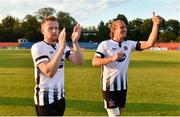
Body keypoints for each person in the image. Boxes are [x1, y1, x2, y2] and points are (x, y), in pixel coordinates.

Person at [92, 12, 163, 116]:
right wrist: (113, 58)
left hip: (123, 87)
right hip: (109, 88)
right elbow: (95, 62)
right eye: (121, 27)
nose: (125, 29)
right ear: (114, 30)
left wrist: (156, 25)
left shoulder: (129, 44)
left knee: (119, 114)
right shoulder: (105, 44)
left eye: (125, 27)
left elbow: (149, 43)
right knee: (115, 115)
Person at [31, 16, 83, 116]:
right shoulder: (38, 47)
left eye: (57, 28)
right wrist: (62, 47)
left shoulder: (62, 46)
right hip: (45, 100)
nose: (54, 31)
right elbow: (49, 72)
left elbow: (79, 61)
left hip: (60, 98)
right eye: (50, 28)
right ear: (42, 31)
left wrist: (75, 41)